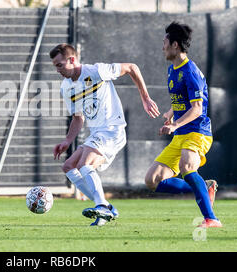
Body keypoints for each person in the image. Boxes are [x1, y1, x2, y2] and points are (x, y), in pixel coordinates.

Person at [50, 43, 160, 226]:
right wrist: (68, 140)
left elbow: (132, 67)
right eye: (55, 66)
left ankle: (101, 205)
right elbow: (78, 118)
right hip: (97, 133)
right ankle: (106, 208)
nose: (57, 70)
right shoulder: (66, 87)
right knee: (69, 166)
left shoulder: (96, 71)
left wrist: (145, 97)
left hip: (112, 129)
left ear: (71, 60)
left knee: (85, 164)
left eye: (59, 65)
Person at [144, 21, 222, 228]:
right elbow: (182, 101)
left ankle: (211, 219)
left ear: (175, 45)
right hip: (181, 134)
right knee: (152, 181)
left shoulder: (190, 71)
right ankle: (204, 188)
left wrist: (175, 125)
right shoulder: (172, 70)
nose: (162, 47)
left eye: (165, 42)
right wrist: (171, 113)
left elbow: (197, 108)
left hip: (198, 132)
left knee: (187, 166)